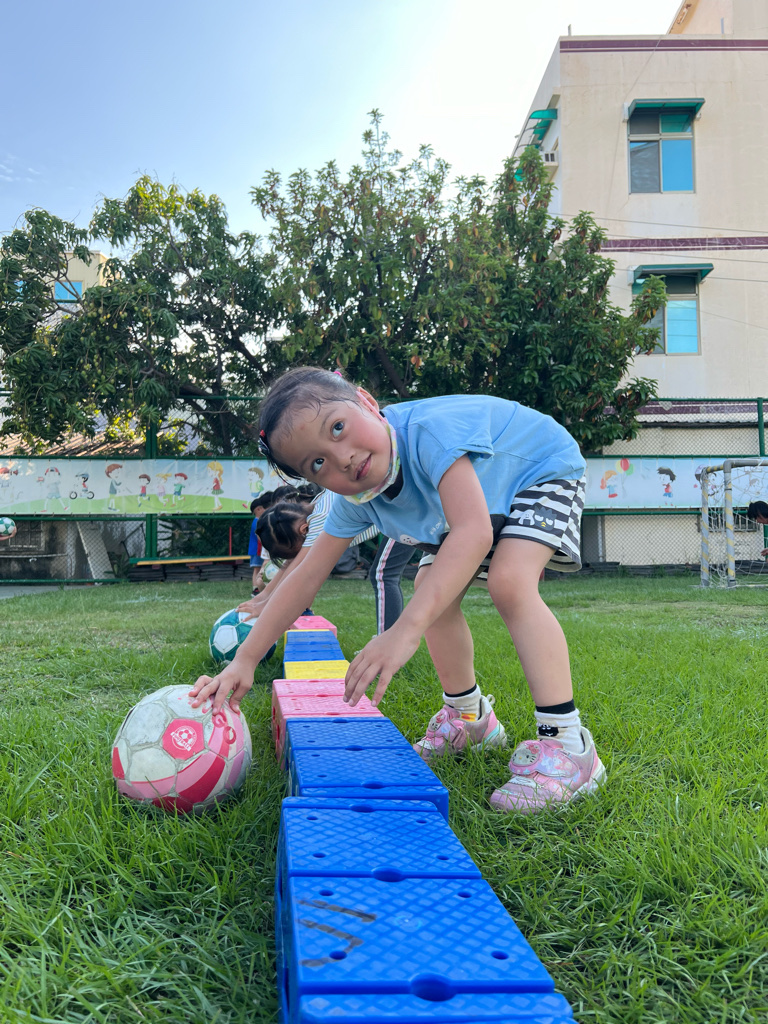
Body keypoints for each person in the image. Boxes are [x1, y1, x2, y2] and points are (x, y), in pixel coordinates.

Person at [191, 366, 605, 815]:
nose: (341, 458)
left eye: (338, 427)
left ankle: (568, 744)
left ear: (367, 402)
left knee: (510, 581)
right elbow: (306, 575)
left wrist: (404, 630)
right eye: (317, 464)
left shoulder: (430, 436)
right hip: (484, 496)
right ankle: (469, 718)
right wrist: (246, 659)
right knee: (430, 587)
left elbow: (473, 531)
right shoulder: (354, 502)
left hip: (539, 468)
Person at [248, 490, 273, 595]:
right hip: (257, 550)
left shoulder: (259, 520)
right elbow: (259, 536)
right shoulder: (257, 521)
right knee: (257, 569)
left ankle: (258, 587)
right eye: (263, 508)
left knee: (259, 568)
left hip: (258, 549)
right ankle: (256, 589)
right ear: (258, 509)